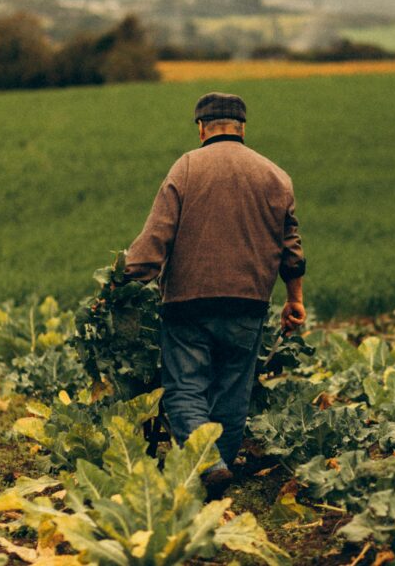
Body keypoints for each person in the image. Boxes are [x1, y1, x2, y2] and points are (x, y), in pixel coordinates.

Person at [123, 91, 306, 495]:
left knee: (185, 388)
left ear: (201, 127)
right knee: (232, 389)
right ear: (242, 128)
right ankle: (217, 473)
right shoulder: (275, 175)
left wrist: (124, 278)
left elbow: (156, 236)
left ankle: (207, 463)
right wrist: (295, 299)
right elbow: (291, 248)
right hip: (248, 302)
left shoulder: (187, 167)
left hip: (188, 303)